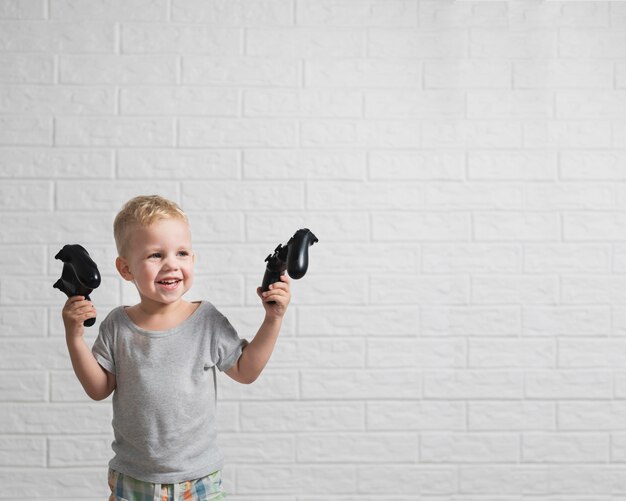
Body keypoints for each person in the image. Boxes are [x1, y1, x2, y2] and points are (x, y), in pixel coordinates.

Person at [62, 194, 291, 500]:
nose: (171, 264)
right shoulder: (118, 325)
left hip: (198, 479)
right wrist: (75, 337)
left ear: (192, 260)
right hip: (134, 478)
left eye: (181, 253)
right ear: (126, 268)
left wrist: (273, 319)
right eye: (155, 255)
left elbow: (246, 371)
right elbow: (99, 388)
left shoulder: (206, 320)